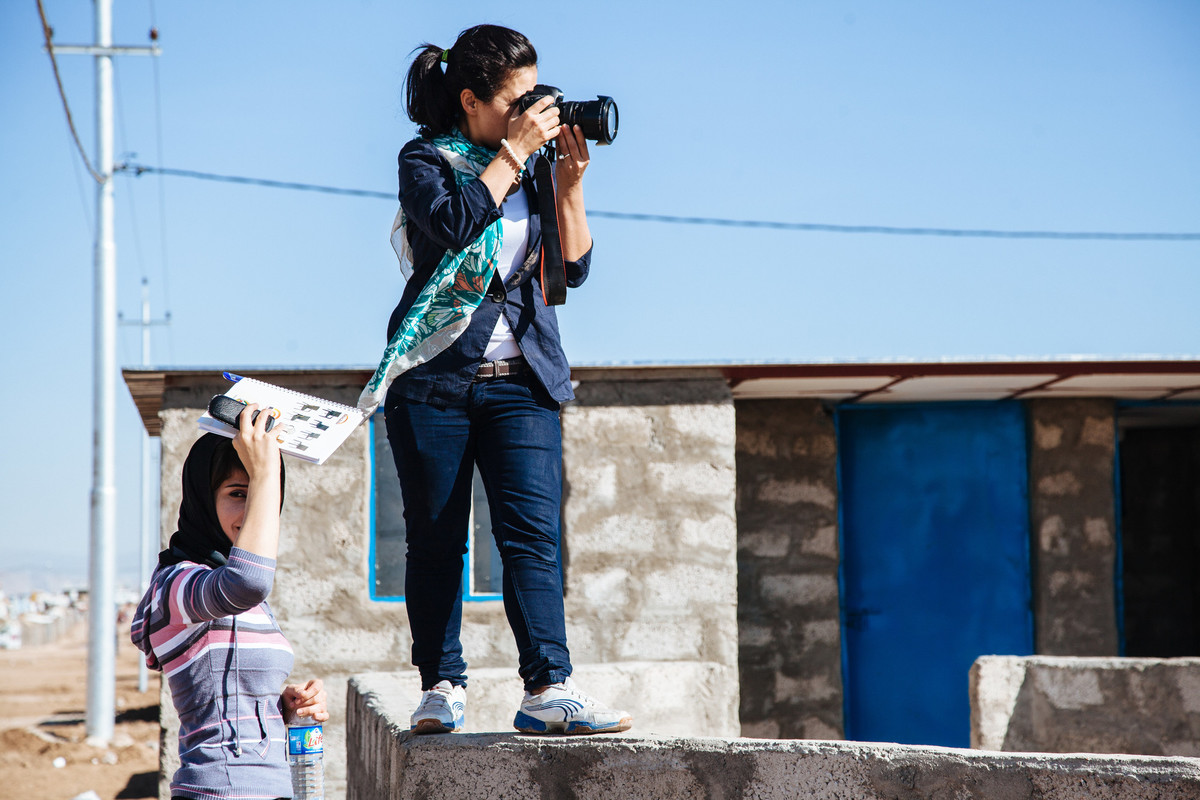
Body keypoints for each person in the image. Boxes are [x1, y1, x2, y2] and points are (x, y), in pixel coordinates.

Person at [366, 23, 631, 736]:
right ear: (472, 103)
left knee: (530, 537)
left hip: (523, 380)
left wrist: (569, 189)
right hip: (434, 380)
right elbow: (454, 223)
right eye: (521, 99)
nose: (539, 108)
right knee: (436, 540)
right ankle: (441, 685)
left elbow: (569, 271)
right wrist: (513, 156)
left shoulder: (536, 169)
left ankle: (549, 687)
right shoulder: (427, 160)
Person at [131, 409, 329, 800]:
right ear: (203, 498)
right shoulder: (175, 585)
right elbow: (248, 581)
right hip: (219, 789)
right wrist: (266, 471)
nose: (253, 508)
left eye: (262, 495)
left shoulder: (243, 596)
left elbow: (227, 706)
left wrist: (282, 707)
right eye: (238, 493)